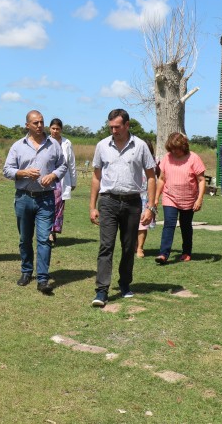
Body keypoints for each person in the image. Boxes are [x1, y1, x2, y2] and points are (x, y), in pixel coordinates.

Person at [89, 109, 157, 307]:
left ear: (127, 125)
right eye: (111, 127)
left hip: (132, 202)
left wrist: (150, 207)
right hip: (108, 201)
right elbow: (96, 177)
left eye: (117, 127)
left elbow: (151, 177)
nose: (114, 130)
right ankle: (101, 290)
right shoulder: (102, 145)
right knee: (106, 246)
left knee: (128, 247)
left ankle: (125, 283)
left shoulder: (141, 146)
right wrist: (92, 206)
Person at [3, 110, 67, 295]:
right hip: (23, 197)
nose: (39, 125)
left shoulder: (54, 145)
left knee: (44, 239)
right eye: (35, 123)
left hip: (46, 198)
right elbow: (7, 170)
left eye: (41, 122)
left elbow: (63, 165)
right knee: (25, 238)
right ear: (27, 125)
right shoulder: (17, 146)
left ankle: (43, 279)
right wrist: (23, 173)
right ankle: (26, 271)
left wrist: (53, 175)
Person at [154, 132, 206, 265]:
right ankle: (163, 254)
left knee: (185, 226)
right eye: (171, 149)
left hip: (188, 199)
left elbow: (201, 180)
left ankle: (186, 252)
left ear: (183, 146)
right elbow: (161, 179)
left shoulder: (194, 158)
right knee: (169, 224)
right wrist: (156, 198)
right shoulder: (167, 158)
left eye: (176, 148)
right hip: (169, 197)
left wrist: (199, 199)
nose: (174, 151)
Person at [48, 118, 77, 247]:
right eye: (53, 128)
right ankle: (48, 231)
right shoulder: (45, 141)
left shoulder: (67, 143)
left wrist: (73, 181)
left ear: (61, 130)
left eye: (57, 129)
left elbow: (71, 163)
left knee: (59, 207)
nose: (55, 131)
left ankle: (54, 230)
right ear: (49, 128)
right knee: (49, 205)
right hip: (49, 179)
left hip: (63, 180)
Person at [136, 141, 158, 258]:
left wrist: (154, 199)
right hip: (133, 195)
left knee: (143, 224)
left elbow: (158, 179)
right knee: (131, 224)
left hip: (146, 197)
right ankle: (134, 245)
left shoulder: (155, 162)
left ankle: (140, 248)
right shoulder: (133, 159)